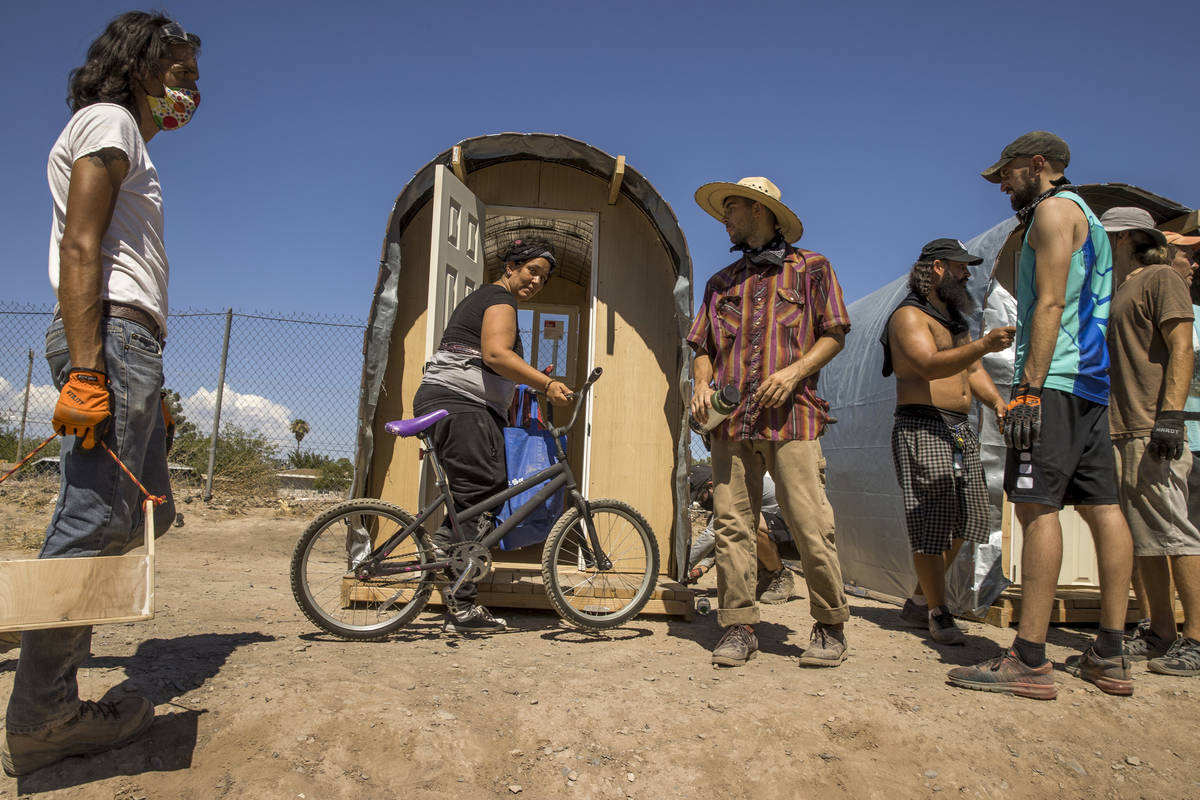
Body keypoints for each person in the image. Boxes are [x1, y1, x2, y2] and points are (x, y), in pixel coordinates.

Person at [1, 13, 199, 776]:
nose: (190, 91)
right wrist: (90, 371)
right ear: (143, 66)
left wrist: (140, 381)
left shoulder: (125, 134)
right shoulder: (109, 120)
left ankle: (38, 629)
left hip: (127, 346)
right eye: (182, 73)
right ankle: (44, 714)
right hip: (109, 341)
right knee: (91, 519)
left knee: (152, 508)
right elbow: (83, 245)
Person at [948, 131, 1134, 700]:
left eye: (1006, 173)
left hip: (1052, 382)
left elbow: (1050, 301)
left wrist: (1027, 389)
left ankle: (1029, 657)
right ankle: (1110, 652)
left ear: (1038, 165)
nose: (1002, 184)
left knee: (1034, 507)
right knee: (1103, 507)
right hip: (1091, 386)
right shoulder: (1092, 222)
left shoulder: (1053, 212)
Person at [687, 176, 851, 668]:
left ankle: (829, 626)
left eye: (732, 210)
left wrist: (796, 370)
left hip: (793, 420)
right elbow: (702, 347)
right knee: (732, 526)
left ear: (760, 211)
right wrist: (700, 386)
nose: (725, 220)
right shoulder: (721, 283)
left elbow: (835, 333)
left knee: (809, 524)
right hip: (731, 425)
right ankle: (738, 626)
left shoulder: (813, 269)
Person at [412, 237, 572, 634]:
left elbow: (490, 365)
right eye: (532, 270)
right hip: (460, 403)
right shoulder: (500, 300)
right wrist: (545, 385)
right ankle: (452, 574)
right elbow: (497, 355)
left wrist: (531, 381)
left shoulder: (490, 300)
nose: (537, 280)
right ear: (512, 266)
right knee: (485, 487)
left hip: (453, 401)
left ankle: (456, 578)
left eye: (544, 277)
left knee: (476, 491)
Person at [881, 239, 1014, 645]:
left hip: (958, 428)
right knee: (930, 521)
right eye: (960, 268)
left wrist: (996, 403)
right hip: (923, 426)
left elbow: (972, 369)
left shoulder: (953, 321)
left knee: (967, 519)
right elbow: (926, 365)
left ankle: (922, 601)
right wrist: (984, 343)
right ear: (937, 267)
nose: (968, 275)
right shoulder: (909, 316)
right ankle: (939, 613)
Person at [1101, 210, 1200, 679]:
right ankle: (1161, 631)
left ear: (1123, 239)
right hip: (1124, 427)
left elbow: (1182, 345)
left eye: (1104, 236)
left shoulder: (1162, 277)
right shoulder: (1123, 288)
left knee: (1176, 533)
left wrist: (1172, 416)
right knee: (1146, 539)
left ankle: (1196, 639)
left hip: (1151, 426)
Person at [686, 465, 797, 604]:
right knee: (729, 523)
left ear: (711, 486)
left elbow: (712, 535)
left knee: (742, 522)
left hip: (793, 537)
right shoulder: (726, 488)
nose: (701, 503)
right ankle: (767, 575)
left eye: (701, 498)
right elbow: (720, 535)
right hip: (776, 531)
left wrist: (685, 567)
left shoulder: (735, 488)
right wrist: (702, 567)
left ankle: (781, 576)